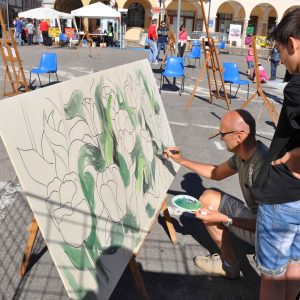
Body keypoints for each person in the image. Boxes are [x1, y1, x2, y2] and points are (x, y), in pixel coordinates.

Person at [164, 109, 268, 279]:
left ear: (239, 136)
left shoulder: (263, 168)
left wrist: (223, 219)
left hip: (274, 235)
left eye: (223, 133)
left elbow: (268, 224)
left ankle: (231, 266)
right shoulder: (243, 154)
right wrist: (181, 161)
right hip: (263, 224)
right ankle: (245, 257)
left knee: (209, 209)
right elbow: (216, 173)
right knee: (209, 197)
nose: (221, 138)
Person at [251, 8, 300, 300]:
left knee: (272, 276)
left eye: (281, 51)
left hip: (282, 196)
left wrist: (294, 158)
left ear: (293, 43)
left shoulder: (297, 87)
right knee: (295, 264)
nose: (279, 59)